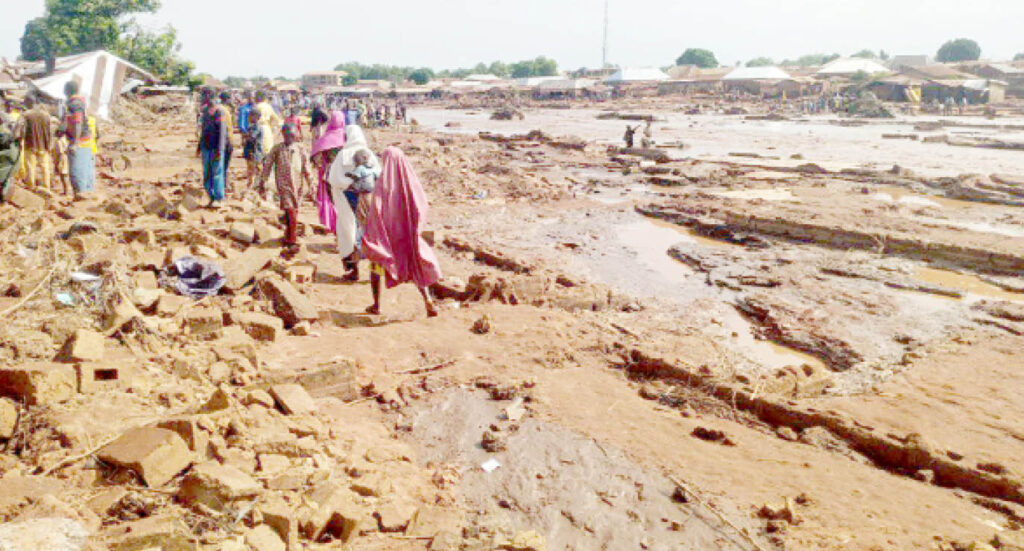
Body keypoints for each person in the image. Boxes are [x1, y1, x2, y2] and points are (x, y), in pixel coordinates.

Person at [361, 146, 442, 318]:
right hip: (407, 236)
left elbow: (376, 211)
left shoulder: (383, 185)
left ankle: (376, 305)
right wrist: (415, 228)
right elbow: (421, 206)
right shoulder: (411, 183)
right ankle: (428, 300)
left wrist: (373, 234)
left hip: (387, 239)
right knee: (415, 265)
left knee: (376, 265)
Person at [331, 125, 379, 281]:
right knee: (369, 232)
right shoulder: (369, 154)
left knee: (348, 231)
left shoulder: (342, 155)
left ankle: (353, 271)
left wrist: (348, 185)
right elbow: (378, 176)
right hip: (367, 199)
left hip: (347, 199)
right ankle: (375, 273)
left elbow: (334, 179)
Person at [259, 123, 311, 249]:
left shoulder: (301, 149)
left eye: (292, 136)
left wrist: (311, 184)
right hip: (283, 185)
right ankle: (292, 240)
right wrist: (263, 181)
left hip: (298, 185)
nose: (290, 139)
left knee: (293, 210)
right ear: (283, 135)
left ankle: (288, 233)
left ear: (296, 136)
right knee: (289, 208)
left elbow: (306, 168)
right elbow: (268, 165)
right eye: (287, 136)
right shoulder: (277, 149)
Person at [310, 111, 346, 233]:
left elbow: (315, 156)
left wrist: (321, 165)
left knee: (330, 199)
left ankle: (330, 223)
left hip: (328, 174)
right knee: (343, 200)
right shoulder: (346, 137)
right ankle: (341, 226)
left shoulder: (326, 137)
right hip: (344, 175)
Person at [60, 81, 95, 199]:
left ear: (67, 90)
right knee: (85, 172)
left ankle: (81, 200)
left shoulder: (75, 104)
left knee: (77, 172)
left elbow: (77, 123)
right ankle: (88, 197)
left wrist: (75, 142)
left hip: (80, 142)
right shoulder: (80, 102)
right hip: (85, 142)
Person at [14, 94, 53, 191]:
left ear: (27, 102)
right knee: (45, 167)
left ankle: (31, 187)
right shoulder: (46, 115)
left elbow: (18, 130)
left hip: (30, 145)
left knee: (30, 167)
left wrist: (17, 140)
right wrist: (49, 145)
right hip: (44, 146)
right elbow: (50, 132)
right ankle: (46, 188)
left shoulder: (26, 115)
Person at [197, 88, 228, 206]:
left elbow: (222, 132)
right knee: (207, 173)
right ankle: (211, 196)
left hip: (216, 147)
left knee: (217, 173)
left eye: (204, 96)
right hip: (206, 146)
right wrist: (199, 147)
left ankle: (219, 198)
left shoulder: (219, 112)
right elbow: (203, 130)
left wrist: (220, 149)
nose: (202, 98)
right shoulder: (205, 111)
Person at [243, 109, 266, 194]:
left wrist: (245, 135)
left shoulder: (257, 127)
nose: (249, 117)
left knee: (255, 173)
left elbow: (251, 138)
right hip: (251, 153)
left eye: (250, 115)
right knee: (250, 173)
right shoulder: (251, 127)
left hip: (255, 153)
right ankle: (252, 190)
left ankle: (255, 190)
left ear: (256, 117)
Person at [254, 90, 282, 156]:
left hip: (257, 128)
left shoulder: (256, 107)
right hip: (267, 129)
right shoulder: (268, 107)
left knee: (257, 149)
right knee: (267, 149)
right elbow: (277, 120)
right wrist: (274, 130)